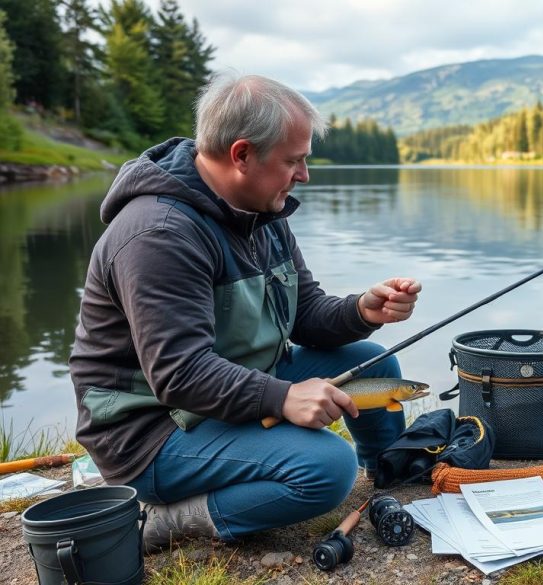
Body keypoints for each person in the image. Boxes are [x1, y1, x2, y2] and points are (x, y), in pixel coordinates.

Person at [69, 72, 421, 551]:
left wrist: (363, 309)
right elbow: (180, 375)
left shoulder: (260, 211)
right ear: (241, 155)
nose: (304, 175)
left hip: (226, 387)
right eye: (293, 161)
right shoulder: (159, 234)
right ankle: (169, 520)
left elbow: (306, 314)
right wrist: (282, 398)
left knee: (375, 360)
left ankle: (389, 478)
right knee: (327, 469)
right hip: (151, 432)